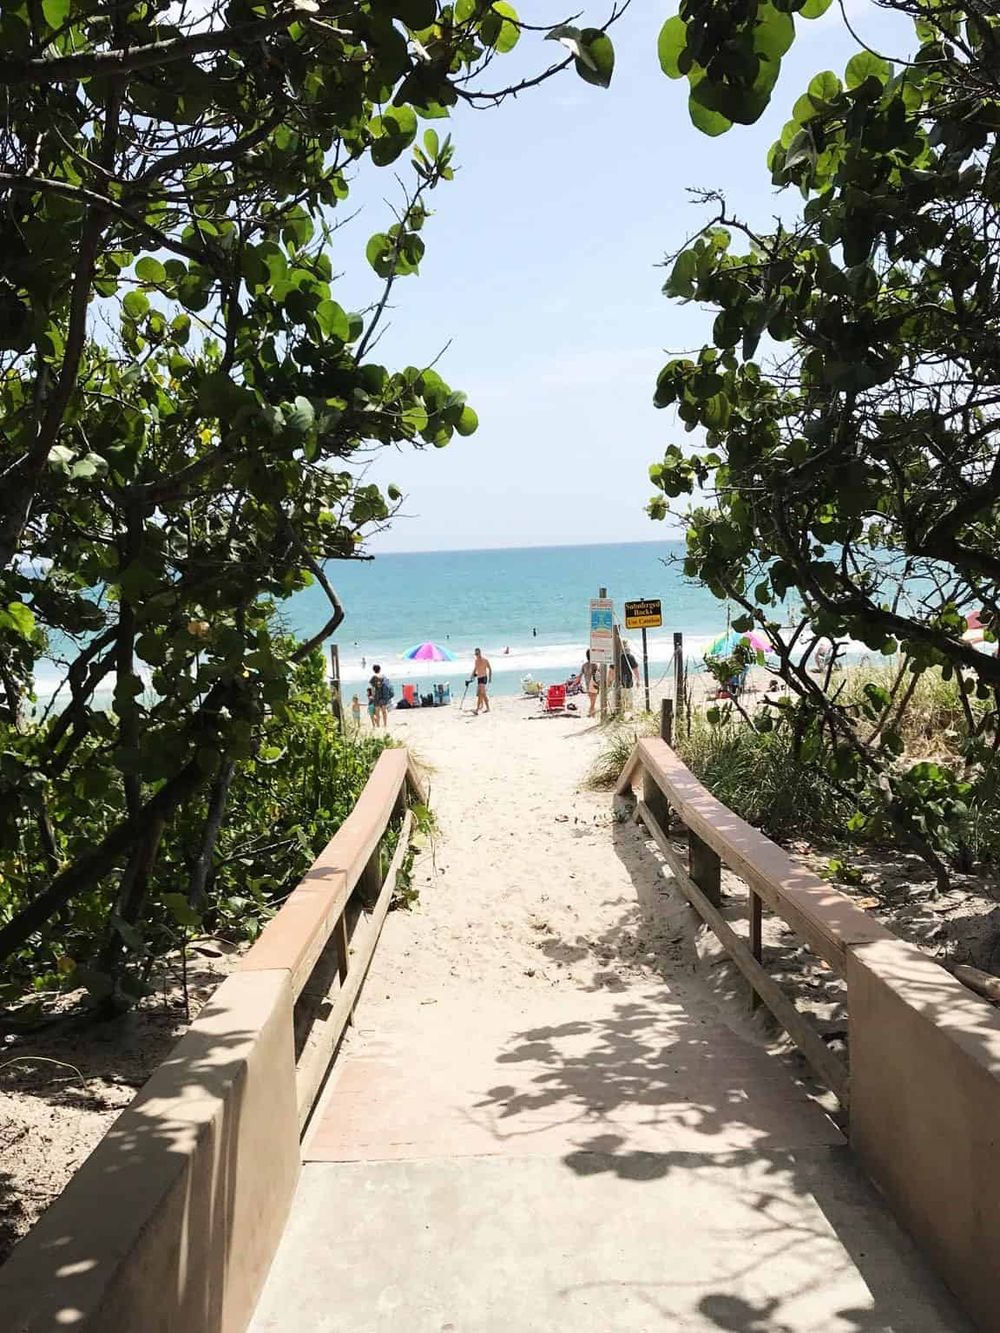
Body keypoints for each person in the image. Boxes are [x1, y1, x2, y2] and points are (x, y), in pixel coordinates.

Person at [469, 648, 492, 714]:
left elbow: (490, 669)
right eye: (475, 654)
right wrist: (472, 675)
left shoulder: (485, 660)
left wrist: (490, 678)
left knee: (482, 693)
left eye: (477, 653)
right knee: (480, 694)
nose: (476, 655)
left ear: (480, 653)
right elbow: (475, 669)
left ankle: (478, 709)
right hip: (479, 678)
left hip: (484, 677)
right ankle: (484, 708)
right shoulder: (476, 661)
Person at [619, 641, 638, 714]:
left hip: (619, 683)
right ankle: (630, 714)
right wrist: (638, 680)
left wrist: (609, 681)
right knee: (629, 700)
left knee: (621, 700)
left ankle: (622, 713)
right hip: (629, 682)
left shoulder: (616, 657)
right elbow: (635, 670)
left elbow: (612, 671)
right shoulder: (630, 657)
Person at [581, 649, 599, 718]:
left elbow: (580, 675)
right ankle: (591, 714)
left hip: (587, 686)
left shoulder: (584, 665)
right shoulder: (595, 665)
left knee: (592, 701)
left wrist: (574, 684)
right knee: (593, 702)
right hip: (594, 685)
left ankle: (592, 714)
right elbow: (597, 676)